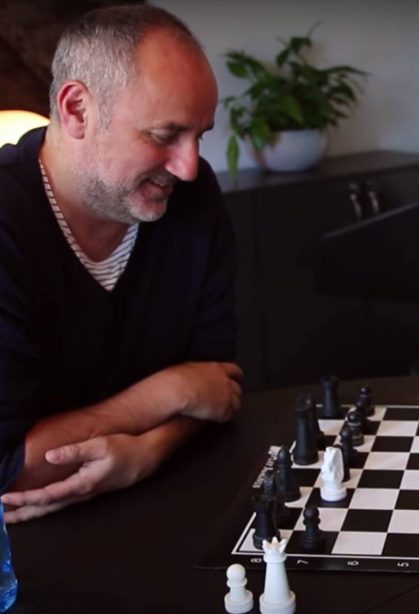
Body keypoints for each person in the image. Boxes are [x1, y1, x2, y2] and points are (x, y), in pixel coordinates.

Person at [0, 5, 242, 522]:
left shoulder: (194, 201)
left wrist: (149, 452)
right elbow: (9, 469)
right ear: (77, 110)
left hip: (171, 502)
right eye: (163, 135)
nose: (190, 166)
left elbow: (220, 387)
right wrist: (167, 394)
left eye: (199, 135)